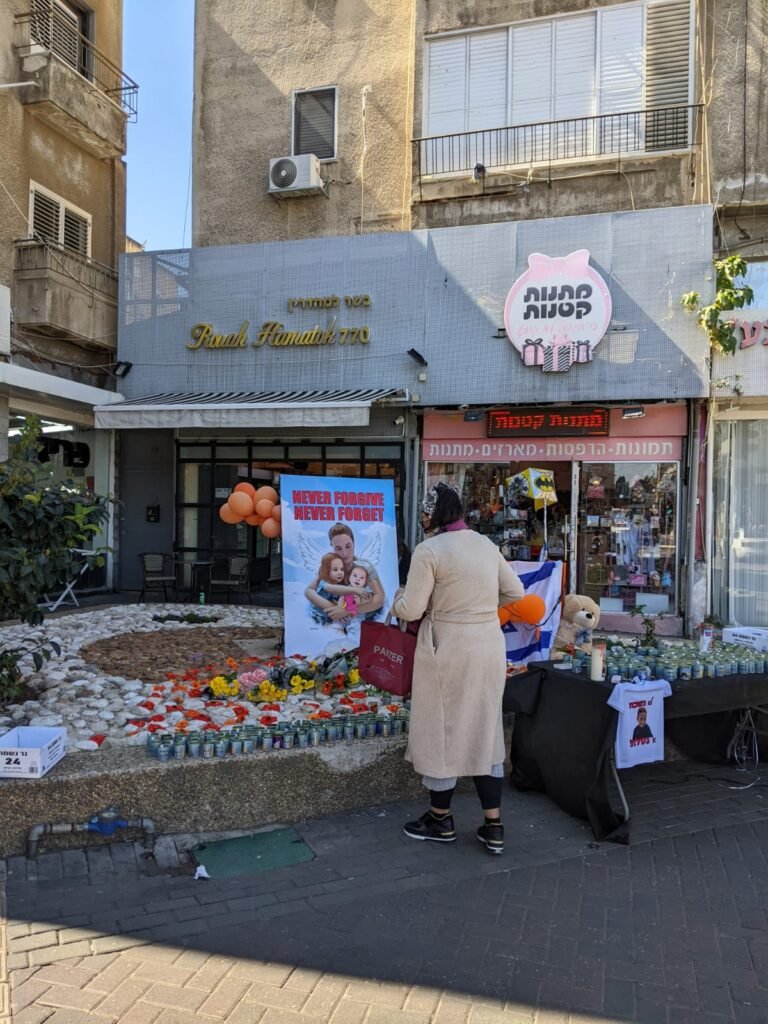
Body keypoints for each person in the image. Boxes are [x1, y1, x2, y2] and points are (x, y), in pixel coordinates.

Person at [392, 482, 524, 855]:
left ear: (434, 514)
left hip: (446, 646)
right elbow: (516, 592)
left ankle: (440, 818)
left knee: (442, 730)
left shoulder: (430, 549)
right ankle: (493, 825)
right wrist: (480, 607)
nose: (421, 519)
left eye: (424, 512)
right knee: (485, 728)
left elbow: (413, 609)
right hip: (486, 645)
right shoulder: (485, 544)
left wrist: (397, 599)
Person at [304, 523, 385, 624]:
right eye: (338, 548)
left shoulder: (364, 566)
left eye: (348, 546)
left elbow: (380, 597)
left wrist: (346, 610)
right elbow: (309, 591)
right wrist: (333, 609)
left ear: (353, 542)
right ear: (331, 546)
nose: (345, 553)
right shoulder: (330, 564)